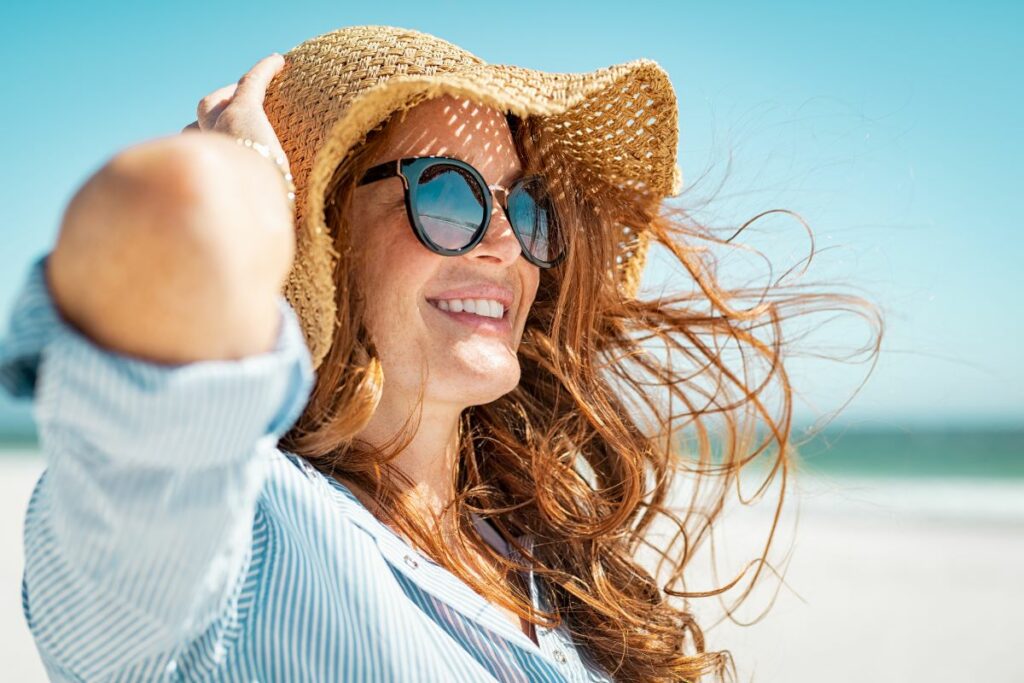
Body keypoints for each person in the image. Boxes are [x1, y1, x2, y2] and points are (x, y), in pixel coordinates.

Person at [0, 25, 881, 683]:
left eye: (524, 205)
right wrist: (244, 189)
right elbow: (158, 213)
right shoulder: (230, 541)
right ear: (323, 232)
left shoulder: (537, 559)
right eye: (448, 195)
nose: (503, 241)